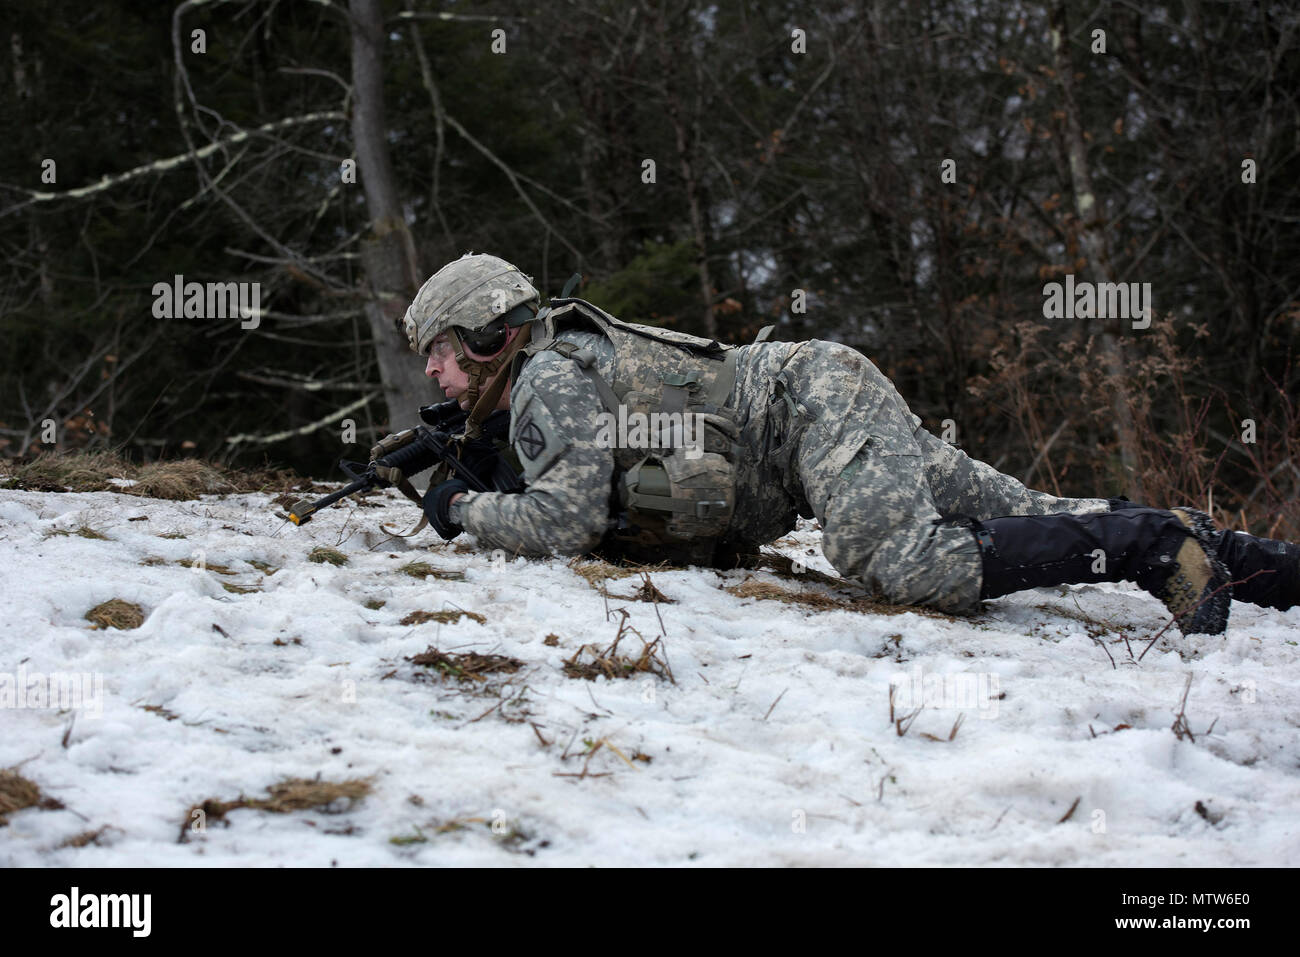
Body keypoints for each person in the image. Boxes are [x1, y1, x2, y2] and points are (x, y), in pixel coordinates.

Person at [384, 252, 1299, 636]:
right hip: (812, 410)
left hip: (810, 403)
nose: (432, 373)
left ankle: (1149, 548)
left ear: (479, 333)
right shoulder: (547, 368)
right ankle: (1249, 561)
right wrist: (476, 460)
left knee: (900, 562)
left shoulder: (545, 375)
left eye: (436, 351)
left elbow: (566, 518)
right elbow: (595, 476)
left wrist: (460, 507)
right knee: (1034, 511)